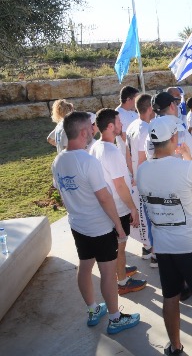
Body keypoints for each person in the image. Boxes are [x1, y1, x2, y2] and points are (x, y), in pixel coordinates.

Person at [136, 117, 192, 356]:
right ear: (173, 138)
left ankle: (175, 347)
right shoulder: (187, 168)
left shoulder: (142, 170)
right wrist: (189, 158)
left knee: (170, 296)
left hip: (163, 246)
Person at [51, 111, 140, 334]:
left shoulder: (58, 160)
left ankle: (92, 310)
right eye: (90, 127)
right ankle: (115, 318)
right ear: (83, 132)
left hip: (77, 224)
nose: (93, 129)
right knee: (108, 273)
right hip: (99, 227)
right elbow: (104, 197)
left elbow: (62, 191)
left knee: (85, 266)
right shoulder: (88, 161)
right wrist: (118, 226)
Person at [90, 109, 147, 296]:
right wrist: (133, 208)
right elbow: (120, 185)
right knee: (120, 246)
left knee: (117, 246)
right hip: (118, 207)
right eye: (118, 121)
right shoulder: (111, 151)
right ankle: (122, 282)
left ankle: (120, 269)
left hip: (106, 207)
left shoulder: (96, 147)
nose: (122, 124)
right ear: (110, 126)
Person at [125, 94, 155, 263]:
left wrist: (133, 175)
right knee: (150, 218)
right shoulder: (145, 129)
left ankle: (146, 249)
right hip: (144, 181)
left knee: (144, 218)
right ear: (150, 108)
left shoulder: (132, 125)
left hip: (136, 179)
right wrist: (140, 178)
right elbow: (142, 157)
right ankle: (155, 255)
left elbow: (128, 154)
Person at [115, 86, 140, 160]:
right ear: (128, 99)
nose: (138, 101)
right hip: (128, 157)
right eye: (136, 99)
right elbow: (124, 137)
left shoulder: (133, 112)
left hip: (137, 154)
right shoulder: (118, 113)